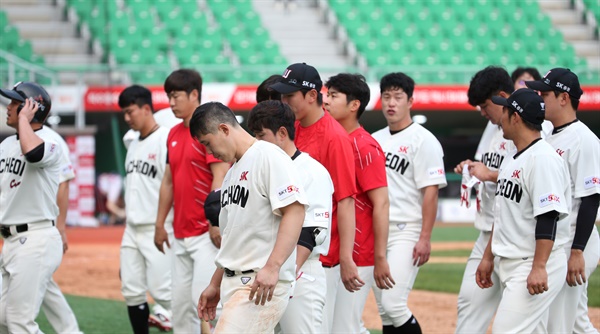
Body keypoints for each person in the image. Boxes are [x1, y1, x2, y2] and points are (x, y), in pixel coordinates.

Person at [193, 102, 307, 333]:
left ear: (224, 129)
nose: (209, 152)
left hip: (259, 283)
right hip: (234, 282)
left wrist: (273, 267)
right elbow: (232, 237)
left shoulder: (268, 155)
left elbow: (295, 211)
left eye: (207, 142)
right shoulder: (232, 172)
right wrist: (215, 283)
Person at [269, 64, 360, 332]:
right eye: (282, 96)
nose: (284, 102)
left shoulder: (335, 137)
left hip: (318, 256)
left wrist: (345, 257)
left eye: (290, 96)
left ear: (311, 96)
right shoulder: (291, 128)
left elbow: (345, 200)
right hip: (284, 247)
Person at [477, 88, 571, 333]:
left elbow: (548, 216)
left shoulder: (543, 159)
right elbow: (503, 214)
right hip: (513, 260)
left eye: (505, 110)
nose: (501, 117)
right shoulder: (513, 156)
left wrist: (539, 266)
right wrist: (488, 257)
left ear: (515, 117)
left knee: (504, 330)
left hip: (532, 262)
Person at [247, 100, 333, 333]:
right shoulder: (261, 168)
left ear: (282, 133)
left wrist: (283, 273)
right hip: (268, 272)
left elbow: (311, 233)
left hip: (301, 274)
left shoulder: (312, 171)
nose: (256, 142)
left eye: (261, 135)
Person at [154, 69, 230, 334]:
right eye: (168, 97)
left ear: (194, 94)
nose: (171, 103)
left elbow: (219, 175)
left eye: (175, 96)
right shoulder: (172, 133)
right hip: (180, 232)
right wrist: (159, 224)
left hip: (205, 234)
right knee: (181, 307)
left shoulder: (207, 132)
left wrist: (215, 221)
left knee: (208, 306)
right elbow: (168, 181)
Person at [371, 72, 447, 333]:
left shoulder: (423, 140)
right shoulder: (376, 139)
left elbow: (430, 192)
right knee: (383, 309)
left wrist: (425, 237)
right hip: (377, 230)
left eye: (398, 97)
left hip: (406, 229)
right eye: (386, 96)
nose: (391, 103)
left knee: (393, 303)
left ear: (411, 101)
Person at [526, 68, 600, 333]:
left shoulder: (585, 140)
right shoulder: (548, 133)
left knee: (559, 324)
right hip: (561, 242)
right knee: (576, 323)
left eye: (545, 93)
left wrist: (577, 251)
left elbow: (591, 199)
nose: (540, 98)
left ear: (563, 98)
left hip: (575, 242)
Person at [324, 73, 394, 333]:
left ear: (354, 105)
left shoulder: (365, 146)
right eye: (326, 94)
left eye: (333, 96)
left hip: (358, 254)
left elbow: (382, 204)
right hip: (334, 250)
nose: (326, 101)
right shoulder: (333, 138)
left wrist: (379, 257)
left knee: (345, 327)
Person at [453, 66, 515, 333]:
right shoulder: (493, 128)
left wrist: (489, 174)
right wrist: (474, 167)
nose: (482, 112)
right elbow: (487, 165)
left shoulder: (535, 126)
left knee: (525, 323)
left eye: (484, 105)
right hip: (488, 231)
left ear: (503, 96)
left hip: (516, 236)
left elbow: (532, 176)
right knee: (469, 302)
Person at [0, 82, 64, 333]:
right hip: (12, 241)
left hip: (36, 238)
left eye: (16, 103)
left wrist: (25, 120)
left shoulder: (50, 141)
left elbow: (33, 155)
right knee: (3, 319)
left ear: (30, 108)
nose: (8, 107)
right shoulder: (5, 145)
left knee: (19, 320)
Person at [119, 85, 173, 333]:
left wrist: (163, 224)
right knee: (131, 289)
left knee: (165, 292)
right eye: (124, 113)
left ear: (146, 108)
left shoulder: (165, 140)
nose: (127, 118)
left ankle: (206, 326)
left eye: (131, 111)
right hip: (132, 228)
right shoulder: (132, 145)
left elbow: (172, 186)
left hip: (157, 226)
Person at [40, 126, 82, 334]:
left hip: (41, 226)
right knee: (44, 283)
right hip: (17, 232)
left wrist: (61, 226)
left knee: (14, 313)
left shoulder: (51, 139)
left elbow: (63, 183)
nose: (9, 108)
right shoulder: (11, 141)